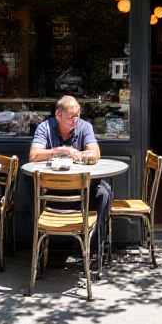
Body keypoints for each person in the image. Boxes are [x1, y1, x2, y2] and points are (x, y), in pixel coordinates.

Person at [29, 95, 111, 252]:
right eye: (71, 116)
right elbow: (33, 156)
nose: (76, 119)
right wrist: (61, 150)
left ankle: (95, 245)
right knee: (30, 190)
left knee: (104, 193)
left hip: (82, 187)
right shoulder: (45, 127)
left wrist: (86, 155)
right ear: (58, 115)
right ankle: (42, 250)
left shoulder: (84, 127)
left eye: (78, 115)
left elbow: (95, 152)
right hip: (52, 188)